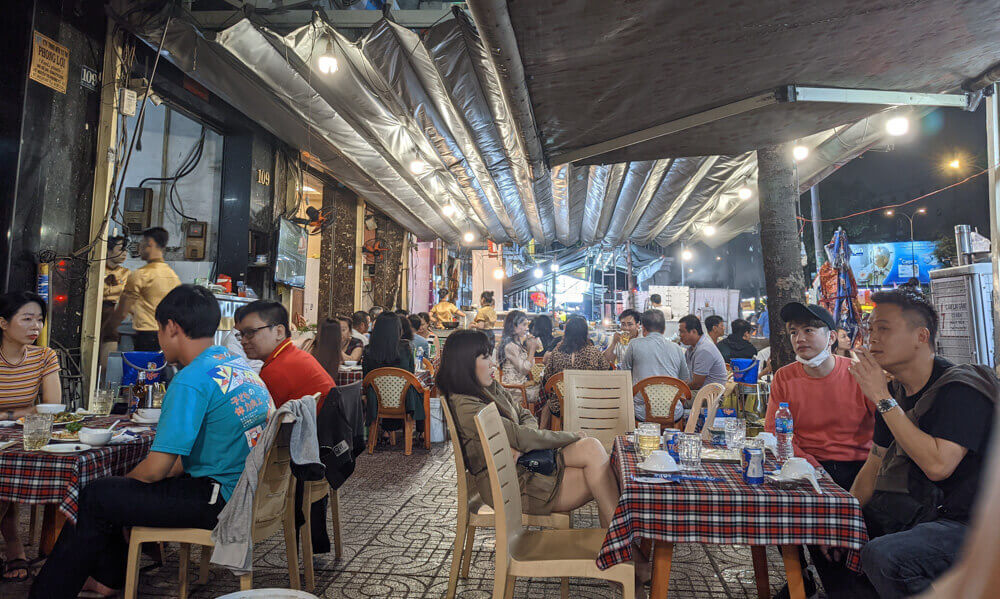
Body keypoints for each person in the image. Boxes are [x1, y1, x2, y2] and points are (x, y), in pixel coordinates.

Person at [30, 285, 271, 599]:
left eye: (159, 329)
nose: (159, 338)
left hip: (219, 500)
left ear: (171, 327)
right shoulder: (236, 366)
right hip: (245, 491)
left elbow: (156, 470)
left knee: (99, 494)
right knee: (112, 494)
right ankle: (106, 578)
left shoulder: (191, 379)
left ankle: (48, 593)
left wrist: (125, 488)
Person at [843, 288, 997, 599]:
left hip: (974, 524)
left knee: (886, 556)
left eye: (884, 328)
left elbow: (939, 465)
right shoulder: (895, 392)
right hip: (926, 514)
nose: (872, 338)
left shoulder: (960, 388)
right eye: (870, 329)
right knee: (834, 539)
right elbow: (874, 464)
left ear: (921, 336)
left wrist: (882, 398)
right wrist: (840, 520)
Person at [437, 329, 621, 529]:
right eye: (485, 357)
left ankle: (614, 543)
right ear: (464, 363)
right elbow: (520, 436)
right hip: (511, 485)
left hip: (527, 465)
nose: (492, 363)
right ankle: (620, 545)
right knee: (604, 477)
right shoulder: (466, 405)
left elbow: (525, 416)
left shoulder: (487, 388)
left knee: (593, 450)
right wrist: (570, 436)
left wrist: (520, 443)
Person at [764, 303, 876, 599]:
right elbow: (776, 434)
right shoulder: (784, 377)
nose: (799, 338)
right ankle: (799, 577)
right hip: (807, 469)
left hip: (860, 470)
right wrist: (814, 469)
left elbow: (884, 434)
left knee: (846, 564)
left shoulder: (858, 374)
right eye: (793, 332)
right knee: (774, 502)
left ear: (832, 337)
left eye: (809, 330)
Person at [0, 292, 62, 582]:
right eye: (26, 319)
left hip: (19, 440)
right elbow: (36, 409)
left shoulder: (44, 356)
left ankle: (16, 550)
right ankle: (15, 550)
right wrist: (23, 410)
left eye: (39, 319)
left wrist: (8, 414)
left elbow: (51, 409)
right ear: (3, 323)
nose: (35, 326)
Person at [234, 300, 334, 411]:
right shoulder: (293, 355)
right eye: (242, 334)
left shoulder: (276, 370)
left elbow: (265, 419)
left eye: (250, 332)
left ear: (279, 332)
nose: (243, 341)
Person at [102, 227, 181, 352]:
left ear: (150, 244)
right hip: (166, 333)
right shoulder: (173, 276)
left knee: (143, 369)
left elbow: (122, 311)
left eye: (142, 244)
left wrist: (108, 328)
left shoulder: (141, 275)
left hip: (146, 333)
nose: (140, 248)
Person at [539, 316, 609, 429]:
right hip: (588, 404)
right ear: (585, 332)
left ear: (567, 332)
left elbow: (547, 377)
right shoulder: (593, 352)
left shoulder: (556, 353)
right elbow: (605, 373)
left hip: (560, 406)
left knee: (550, 402)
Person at [620, 309, 689, 423]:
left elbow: (624, 376)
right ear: (664, 329)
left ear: (643, 328)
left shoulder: (634, 345)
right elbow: (684, 379)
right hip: (673, 412)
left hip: (642, 412)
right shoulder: (677, 348)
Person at [362, 313, 424, 428]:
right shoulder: (405, 348)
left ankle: (383, 431)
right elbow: (411, 374)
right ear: (398, 329)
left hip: (375, 401)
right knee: (421, 391)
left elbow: (365, 378)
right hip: (403, 400)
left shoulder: (368, 351)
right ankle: (420, 432)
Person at [98, 235, 130, 372]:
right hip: (96, 310)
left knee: (110, 343)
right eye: (120, 249)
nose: (124, 254)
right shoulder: (98, 270)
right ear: (108, 251)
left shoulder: (126, 273)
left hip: (113, 314)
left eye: (126, 250)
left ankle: (103, 379)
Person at [497, 310, 542, 406]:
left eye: (527, 325)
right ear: (514, 326)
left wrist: (531, 348)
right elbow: (524, 369)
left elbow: (528, 366)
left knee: (544, 391)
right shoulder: (510, 346)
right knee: (544, 393)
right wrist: (532, 350)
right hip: (514, 388)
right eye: (524, 324)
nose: (527, 328)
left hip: (520, 385)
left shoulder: (517, 344)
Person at [678, 314, 728, 390]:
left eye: (682, 332)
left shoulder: (704, 349)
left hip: (708, 396)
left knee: (672, 399)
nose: (680, 335)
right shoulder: (691, 348)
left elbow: (696, 384)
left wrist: (679, 389)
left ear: (694, 332)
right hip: (699, 391)